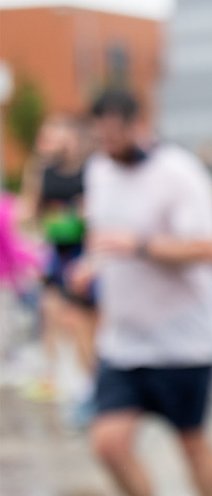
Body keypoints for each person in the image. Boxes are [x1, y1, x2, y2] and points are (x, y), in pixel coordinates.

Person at [71, 90, 212, 496]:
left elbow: (211, 249)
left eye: (112, 133)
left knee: (191, 443)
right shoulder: (98, 171)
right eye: (97, 135)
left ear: (136, 124)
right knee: (107, 443)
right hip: (124, 343)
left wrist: (139, 245)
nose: (104, 143)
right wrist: (92, 263)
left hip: (184, 342)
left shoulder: (178, 173)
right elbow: (103, 236)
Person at [17, 114, 97, 403]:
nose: (50, 141)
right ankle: (56, 377)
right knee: (53, 314)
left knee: (86, 321)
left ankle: (92, 378)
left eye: (55, 134)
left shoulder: (92, 168)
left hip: (85, 251)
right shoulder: (42, 169)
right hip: (56, 251)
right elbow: (29, 211)